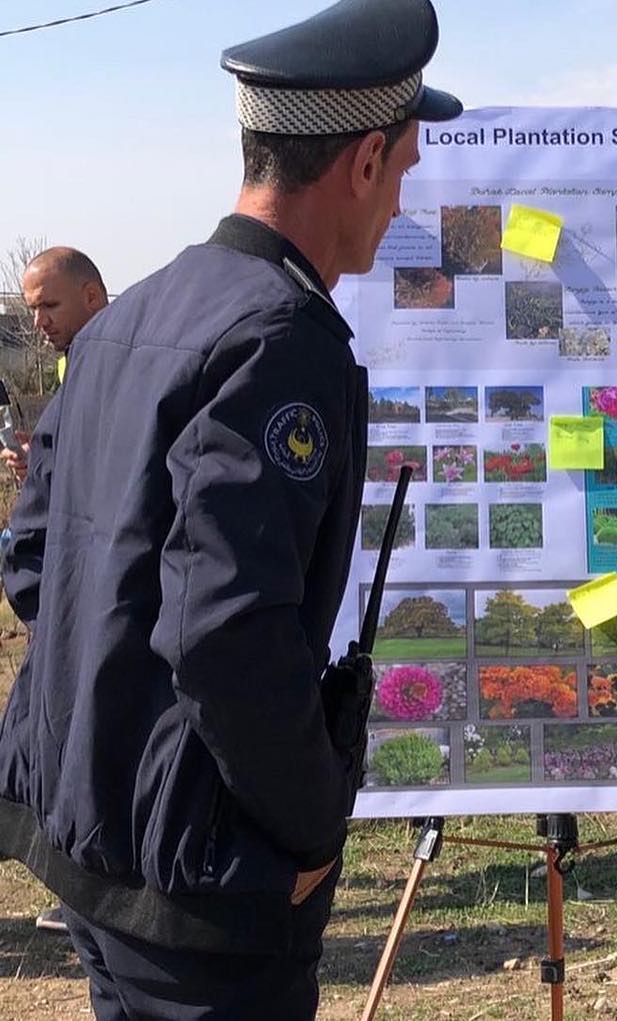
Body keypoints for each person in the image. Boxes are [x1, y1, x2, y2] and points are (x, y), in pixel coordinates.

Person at [0, 0, 461, 1017]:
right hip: (202, 878)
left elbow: (34, 557)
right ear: (366, 161)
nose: (399, 210)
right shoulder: (281, 337)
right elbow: (225, 633)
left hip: (90, 833)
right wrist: (304, 831)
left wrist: (116, 704)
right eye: (407, 175)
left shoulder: (136, 316)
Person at [2, 247, 109, 484]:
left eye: (49, 305)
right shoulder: (71, 363)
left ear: (92, 296)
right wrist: (40, 456)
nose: (39, 321)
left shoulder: (127, 364)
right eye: (34, 309)